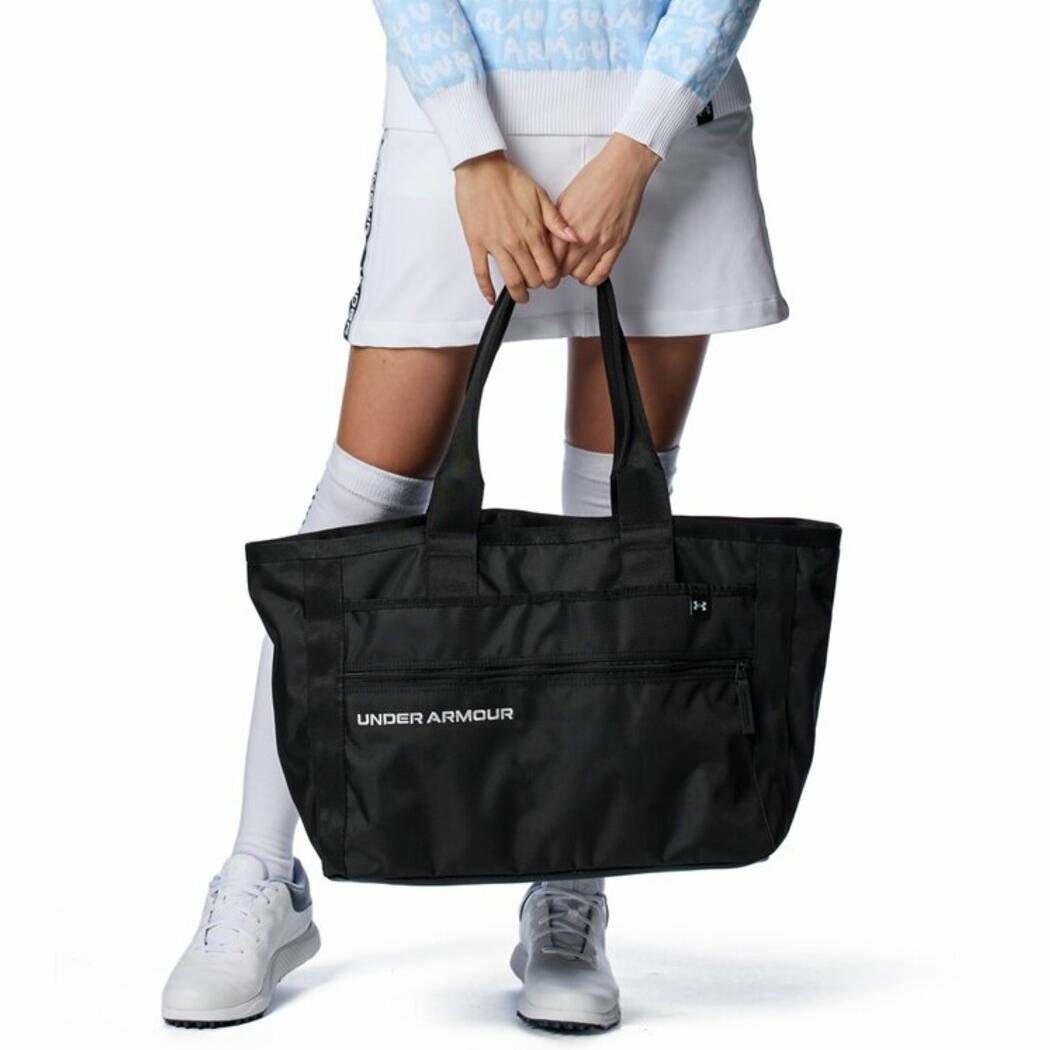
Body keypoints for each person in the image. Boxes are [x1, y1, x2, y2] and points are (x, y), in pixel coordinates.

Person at [163, 0, 784, 1032]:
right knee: (357, 516)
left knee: (616, 526)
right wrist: (474, 149)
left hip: (664, 138)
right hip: (463, 140)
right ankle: (261, 877)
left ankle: (570, 880)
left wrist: (639, 144)